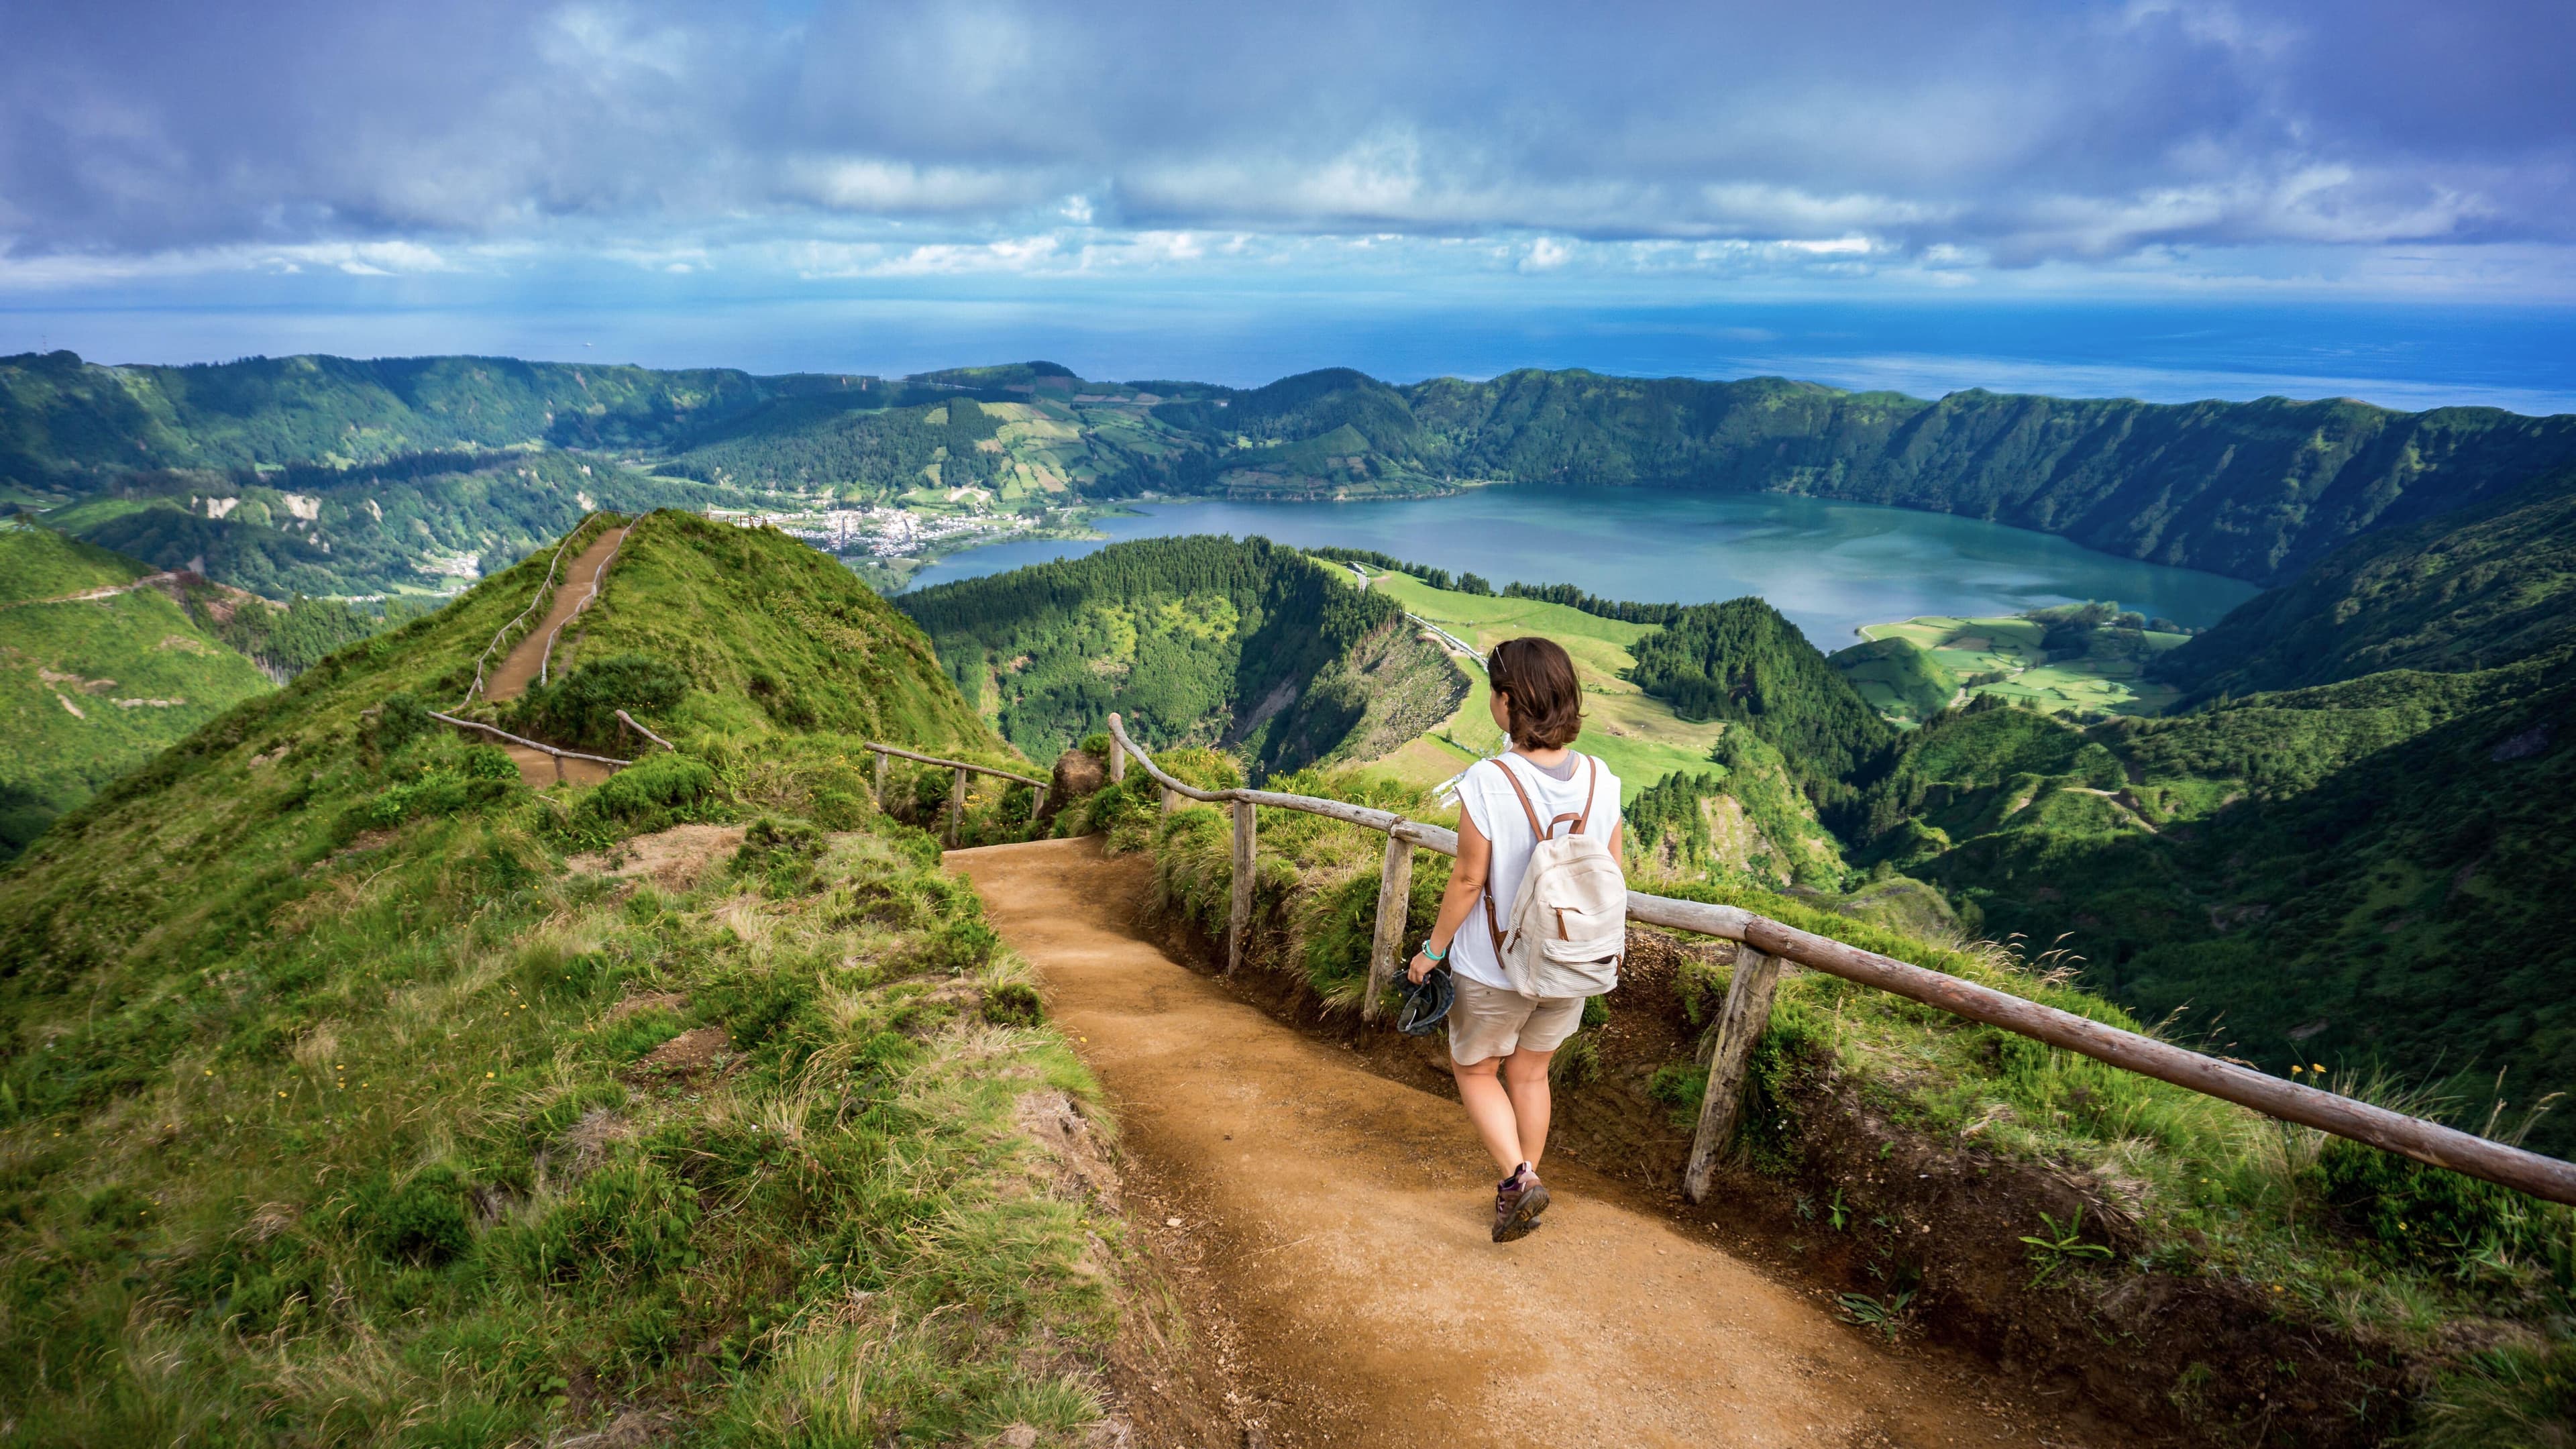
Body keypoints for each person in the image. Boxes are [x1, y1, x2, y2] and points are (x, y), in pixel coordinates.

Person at [1407, 636, 1621, 1242]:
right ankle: (1524, 1182)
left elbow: (1470, 878)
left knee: (1475, 1070)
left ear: (1509, 702)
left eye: (1493, 693)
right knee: (1531, 1075)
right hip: (1572, 963)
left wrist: (1431, 952)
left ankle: (1519, 1182)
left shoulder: (1488, 780)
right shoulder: (1604, 780)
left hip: (1495, 967)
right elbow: (1612, 877)